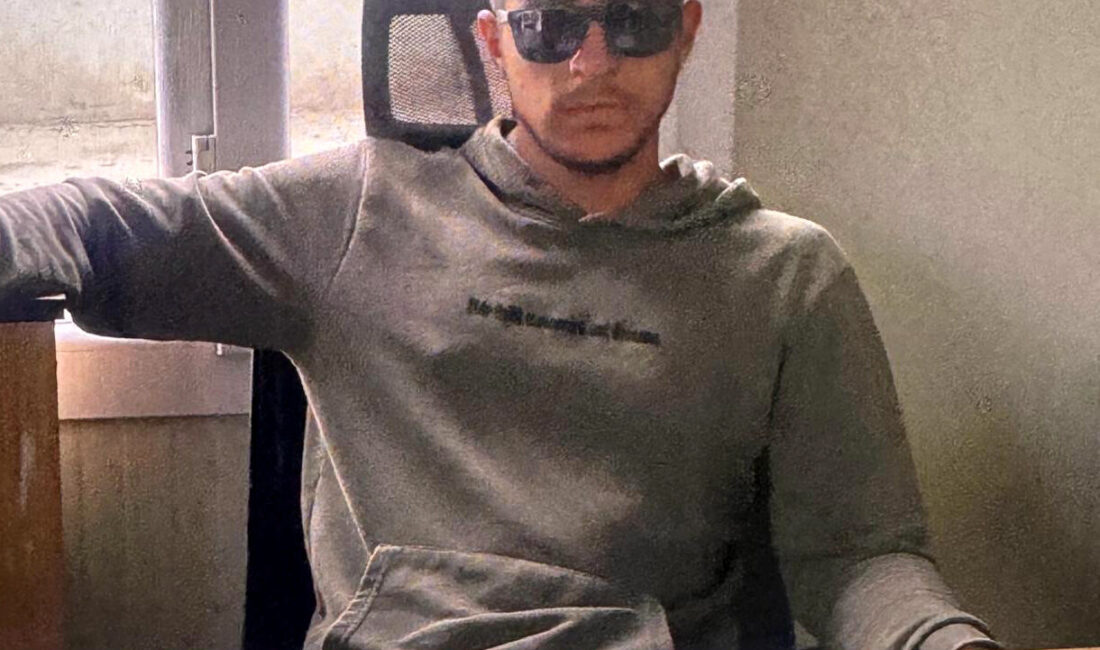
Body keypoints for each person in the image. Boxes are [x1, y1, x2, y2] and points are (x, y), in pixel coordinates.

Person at [0, 0, 1004, 648]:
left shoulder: (784, 277)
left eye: (634, 20)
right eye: (550, 27)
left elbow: (860, 560)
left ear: (688, 28)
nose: (591, 62)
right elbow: (91, 226)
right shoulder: (358, 211)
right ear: (492, 43)